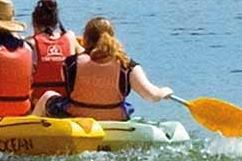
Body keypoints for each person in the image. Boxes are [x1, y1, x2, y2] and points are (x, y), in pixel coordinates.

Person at [36, 17, 172, 121]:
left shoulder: (71, 63)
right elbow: (151, 96)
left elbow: (66, 83)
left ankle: (29, 127)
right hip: (115, 117)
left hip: (77, 115)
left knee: (49, 95)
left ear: (86, 38)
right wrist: (164, 91)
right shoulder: (127, 65)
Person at [28, 0, 80, 105]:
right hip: (65, 102)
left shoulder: (30, 43)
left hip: (38, 102)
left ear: (34, 23)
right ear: (56, 22)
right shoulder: (70, 38)